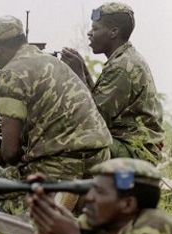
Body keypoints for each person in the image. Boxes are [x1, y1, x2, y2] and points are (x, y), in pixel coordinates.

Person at [0, 15, 111, 192]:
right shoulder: (53, 62)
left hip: (62, 164)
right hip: (101, 158)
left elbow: (10, 152)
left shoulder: (11, 75)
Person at [61, 2, 164, 165]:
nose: (89, 33)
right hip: (128, 144)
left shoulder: (122, 67)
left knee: (62, 145)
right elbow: (98, 100)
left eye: (95, 29)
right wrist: (83, 70)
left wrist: (78, 74)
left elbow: (93, 119)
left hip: (136, 150)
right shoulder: (123, 59)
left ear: (113, 32)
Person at [28, 158, 172, 234]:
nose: (88, 198)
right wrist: (44, 228)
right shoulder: (101, 225)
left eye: (100, 192)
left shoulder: (152, 231)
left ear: (128, 204)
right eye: (91, 190)